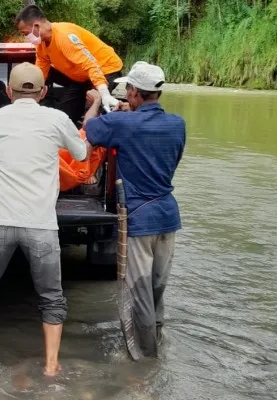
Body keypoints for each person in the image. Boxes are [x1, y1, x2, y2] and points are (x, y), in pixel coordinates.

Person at [0, 62, 90, 377]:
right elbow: (82, 155)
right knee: (51, 298)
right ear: (45, 92)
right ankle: (51, 367)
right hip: (41, 226)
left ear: (8, 91)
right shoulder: (57, 118)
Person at [83, 61, 186, 358]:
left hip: (139, 220)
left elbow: (90, 130)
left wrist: (92, 105)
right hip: (168, 216)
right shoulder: (177, 124)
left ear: (133, 92)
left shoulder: (122, 123)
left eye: (129, 91)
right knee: (156, 289)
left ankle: (144, 362)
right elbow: (172, 160)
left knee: (139, 292)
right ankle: (158, 343)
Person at [14, 4, 124, 125]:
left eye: (25, 33)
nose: (25, 38)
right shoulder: (41, 45)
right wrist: (29, 99)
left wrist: (104, 93)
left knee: (93, 116)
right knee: (64, 116)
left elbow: (90, 64)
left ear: (36, 26)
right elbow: (40, 73)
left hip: (105, 69)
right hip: (81, 77)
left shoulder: (64, 37)